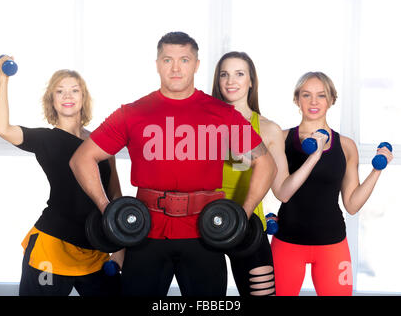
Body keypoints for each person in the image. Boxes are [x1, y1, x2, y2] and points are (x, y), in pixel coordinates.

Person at [69, 32, 277, 296]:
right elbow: (82, 159)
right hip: (146, 234)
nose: (176, 68)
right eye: (168, 60)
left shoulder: (223, 114)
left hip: (205, 235)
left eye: (184, 60)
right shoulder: (132, 113)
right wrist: (106, 209)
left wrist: (244, 214)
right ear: (157, 64)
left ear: (197, 65)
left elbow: (266, 164)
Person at [0, 57, 124, 296]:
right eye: (60, 91)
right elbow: (2, 128)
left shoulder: (101, 142)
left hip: (93, 249)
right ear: (51, 100)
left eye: (74, 90)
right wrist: (4, 79)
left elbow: (115, 195)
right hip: (51, 249)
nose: (67, 96)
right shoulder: (45, 139)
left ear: (83, 98)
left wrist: (121, 248)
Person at [268, 71, 393, 296]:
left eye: (321, 95)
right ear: (297, 99)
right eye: (306, 95)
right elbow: (280, 192)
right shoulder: (281, 139)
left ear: (332, 99)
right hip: (288, 241)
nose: (314, 102)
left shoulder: (346, 146)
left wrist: (377, 170)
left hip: (332, 244)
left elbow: (352, 204)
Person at [212, 51, 279, 296]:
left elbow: (282, 190)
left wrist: (312, 159)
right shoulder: (202, 126)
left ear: (251, 81)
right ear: (218, 82)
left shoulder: (270, 129)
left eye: (239, 74)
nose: (231, 81)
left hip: (249, 227)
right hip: (207, 224)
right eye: (224, 74)